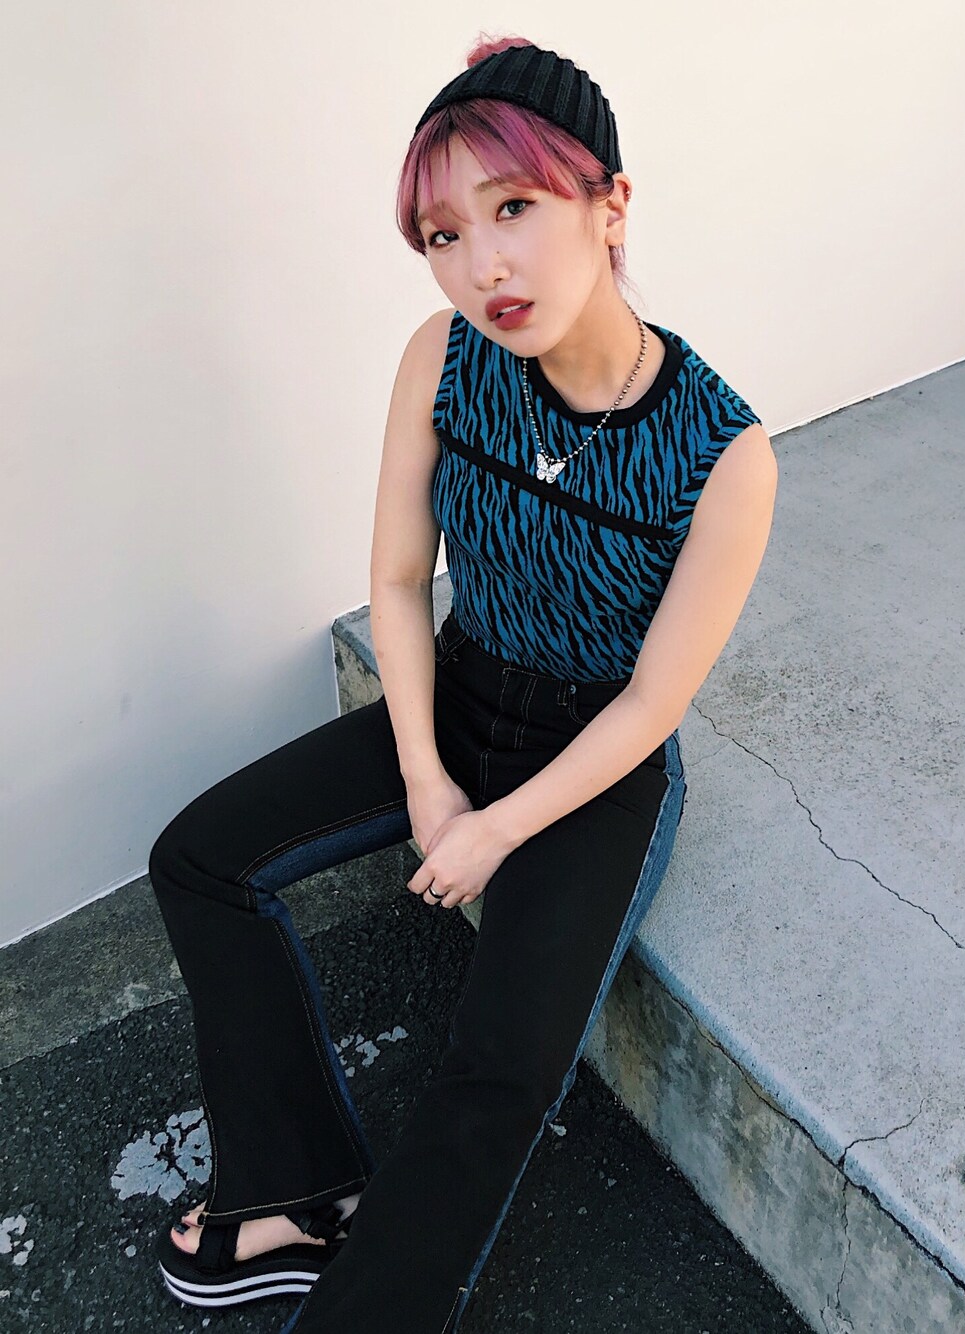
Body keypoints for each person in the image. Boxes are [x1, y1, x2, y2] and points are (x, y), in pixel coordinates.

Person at [148, 32, 777, 1334]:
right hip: (461, 698)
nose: (481, 263)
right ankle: (295, 1191)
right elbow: (396, 582)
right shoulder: (443, 358)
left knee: (491, 1076)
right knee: (200, 857)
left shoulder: (724, 455)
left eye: (514, 209)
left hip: (594, 764)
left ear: (610, 204)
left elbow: (653, 705)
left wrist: (497, 827)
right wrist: (432, 781)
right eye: (443, 234)